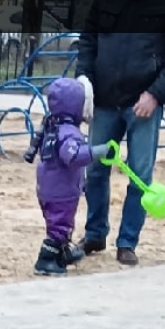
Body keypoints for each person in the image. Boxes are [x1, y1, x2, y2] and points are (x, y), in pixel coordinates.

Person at [75, 0, 165, 266]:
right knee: (95, 171)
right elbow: (87, 40)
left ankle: (127, 241)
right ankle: (95, 234)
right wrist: (84, 80)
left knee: (139, 176)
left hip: (144, 104)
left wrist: (156, 95)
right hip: (104, 100)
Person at [25, 76, 112, 275]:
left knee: (61, 222)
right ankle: (45, 260)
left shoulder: (51, 124)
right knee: (59, 225)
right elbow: (71, 156)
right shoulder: (68, 132)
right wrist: (99, 151)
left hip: (50, 186)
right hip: (60, 190)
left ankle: (62, 252)